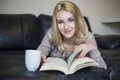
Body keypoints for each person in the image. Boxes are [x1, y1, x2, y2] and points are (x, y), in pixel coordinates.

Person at [37, 0, 107, 69]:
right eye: (60, 22)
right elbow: (42, 50)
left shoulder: (88, 36)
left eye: (71, 20)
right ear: (56, 24)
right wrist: (40, 56)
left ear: (78, 20)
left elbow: (103, 68)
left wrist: (92, 48)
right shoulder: (52, 33)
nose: (66, 27)